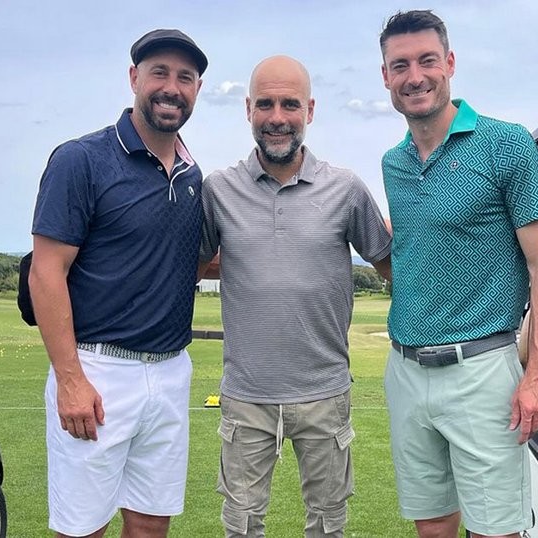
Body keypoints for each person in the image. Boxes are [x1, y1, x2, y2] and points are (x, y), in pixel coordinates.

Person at [379, 9, 538, 538]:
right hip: (405, 371)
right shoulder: (393, 163)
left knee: (495, 531)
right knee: (433, 526)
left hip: (482, 371)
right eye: (400, 65)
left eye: (427, 60)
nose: (415, 76)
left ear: (451, 63)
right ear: (386, 76)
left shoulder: (506, 143)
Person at [199, 55, 392, 538]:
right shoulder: (218, 190)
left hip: (325, 392)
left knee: (328, 525)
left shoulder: (346, 188)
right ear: (248, 109)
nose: (277, 117)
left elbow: (392, 267)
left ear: (310, 110)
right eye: (265, 104)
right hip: (246, 395)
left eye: (290, 104)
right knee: (242, 526)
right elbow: (186, 270)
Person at [29, 28, 207, 538]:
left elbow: (188, 258)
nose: (171, 87)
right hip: (96, 370)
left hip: (170, 371)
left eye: (185, 77)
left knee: (151, 525)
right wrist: (70, 379)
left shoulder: (193, 175)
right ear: (134, 78)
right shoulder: (81, 159)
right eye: (159, 73)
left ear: (197, 90)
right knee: (83, 529)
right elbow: (46, 272)